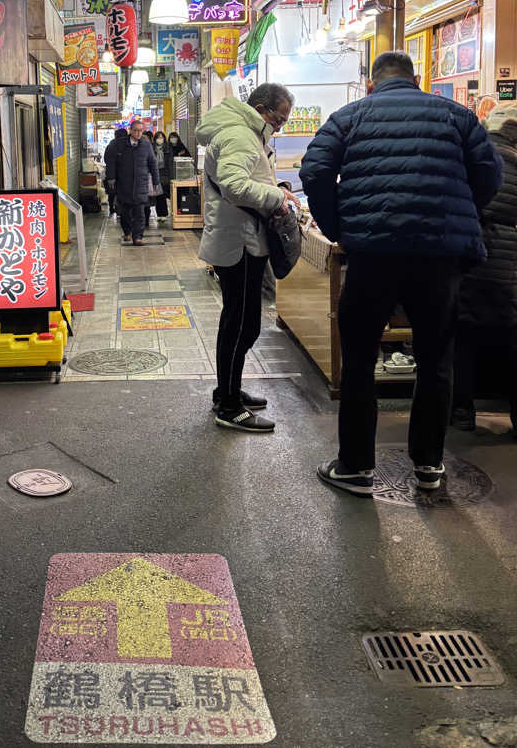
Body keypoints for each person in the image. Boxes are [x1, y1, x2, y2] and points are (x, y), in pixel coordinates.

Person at [300, 51, 502, 496]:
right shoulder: (456, 116)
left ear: (372, 84)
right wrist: (458, 214)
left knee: (357, 359)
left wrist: (339, 229)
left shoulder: (348, 117)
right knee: (435, 359)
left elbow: (314, 172)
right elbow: (490, 173)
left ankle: (355, 467)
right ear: (415, 80)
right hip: (439, 257)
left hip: (372, 253)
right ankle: (429, 464)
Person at [197, 83, 300, 432]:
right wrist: (277, 197)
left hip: (244, 242)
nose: (280, 126)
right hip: (238, 244)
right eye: (279, 118)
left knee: (242, 323)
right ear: (260, 108)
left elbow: (250, 178)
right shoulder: (240, 134)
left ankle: (228, 390)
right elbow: (234, 185)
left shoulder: (245, 132)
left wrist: (277, 189)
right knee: (240, 324)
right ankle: (228, 406)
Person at [451, 102, 517, 436]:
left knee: (462, 337)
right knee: (511, 338)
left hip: (470, 254)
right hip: (509, 262)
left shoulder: (473, 157)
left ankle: (461, 411)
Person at [105, 118, 160, 246]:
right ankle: (127, 232)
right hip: (124, 184)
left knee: (140, 212)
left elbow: (153, 163)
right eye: (135, 131)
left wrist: (156, 180)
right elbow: (110, 161)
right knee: (125, 212)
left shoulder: (146, 145)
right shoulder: (119, 144)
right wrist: (111, 177)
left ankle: (138, 236)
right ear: (130, 130)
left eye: (140, 131)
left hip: (141, 184)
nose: (138, 133)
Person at [102, 128, 127, 216]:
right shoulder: (128, 144)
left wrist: (110, 177)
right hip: (125, 175)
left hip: (113, 174)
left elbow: (107, 160)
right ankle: (121, 209)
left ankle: (112, 208)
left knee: (112, 192)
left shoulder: (111, 145)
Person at [153, 131, 171, 220]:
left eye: (161, 137)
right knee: (157, 194)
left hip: (165, 173)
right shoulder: (152, 148)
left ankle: (164, 213)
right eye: (158, 137)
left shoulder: (167, 148)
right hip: (155, 173)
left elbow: (170, 162)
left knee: (163, 193)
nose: (160, 139)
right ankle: (159, 214)